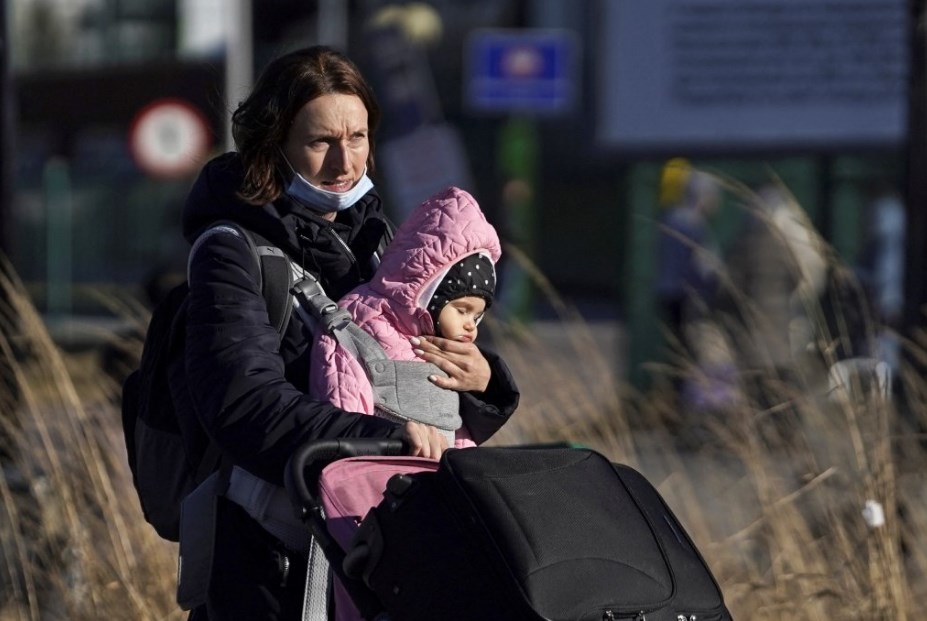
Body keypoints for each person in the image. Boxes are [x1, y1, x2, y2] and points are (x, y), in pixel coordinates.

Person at [177, 45, 516, 620]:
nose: (344, 162)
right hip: (269, 556)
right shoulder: (231, 252)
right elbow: (240, 400)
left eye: (357, 138)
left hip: (372, 543)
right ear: (272, 145)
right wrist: (377, 438)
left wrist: (484, 384)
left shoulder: (380, 242)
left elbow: (419, 379)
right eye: (320, 142)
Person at [309, 185, 518, 449]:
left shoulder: (448, 347)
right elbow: (344, 406)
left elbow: (454, 427)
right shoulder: (356, 326)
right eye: (462, 310)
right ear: (430, 293)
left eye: (478, 317)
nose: (470, 326)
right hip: (381, 474)